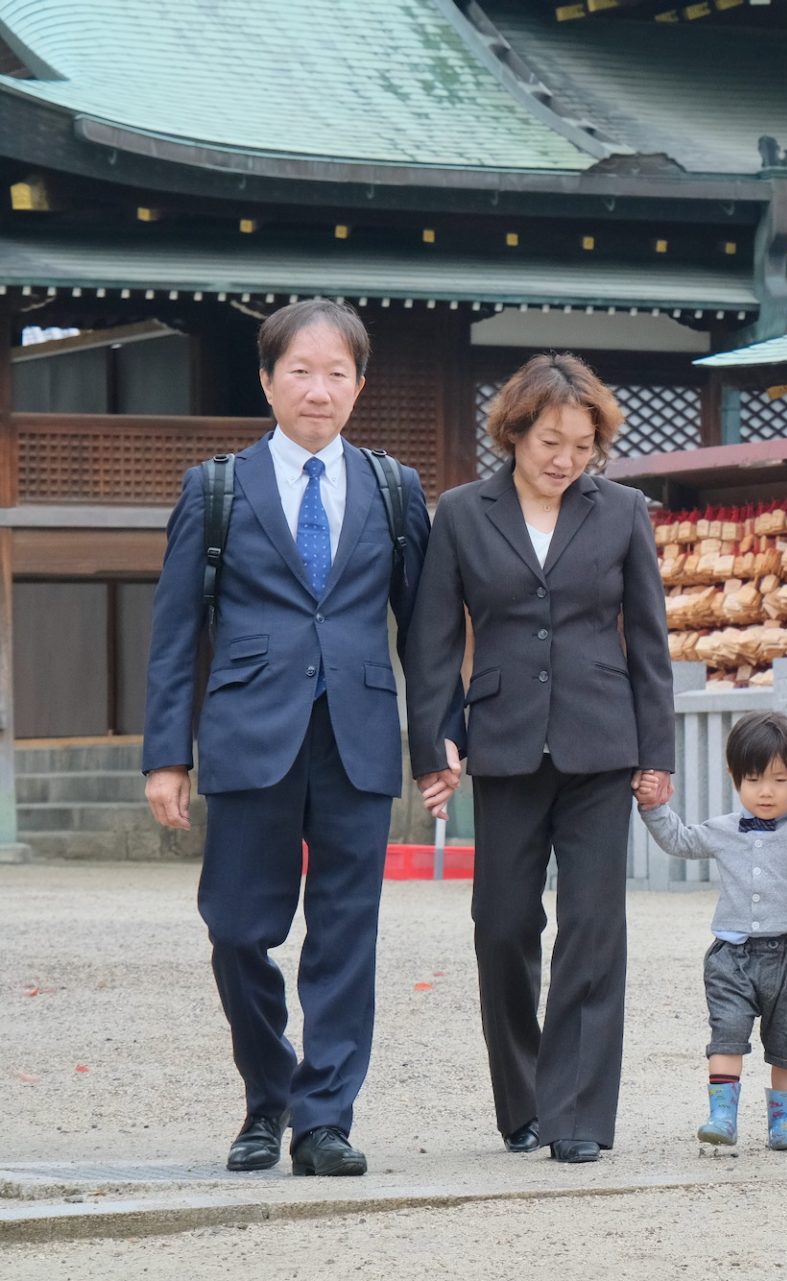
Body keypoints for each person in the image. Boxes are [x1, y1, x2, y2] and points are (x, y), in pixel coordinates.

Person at [142, 299, 447, 1176]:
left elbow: (423, 631)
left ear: (361, 383)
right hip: (247, 732)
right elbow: (173, 633)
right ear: (269, 379)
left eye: (338, 372)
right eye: (302, 372)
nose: (320, 389)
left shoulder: (393, 488)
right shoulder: (217, 488)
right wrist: (168, 753)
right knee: (238, 929)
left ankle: (324, 1119)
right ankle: (267, 1093)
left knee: (347, 933)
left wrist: (435, 743)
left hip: (355, 733)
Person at [402, 353, 675, 1164]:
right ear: (515, 431)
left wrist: (656, 750)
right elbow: (432, 641)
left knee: (594, 929)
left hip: (602, 742)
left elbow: (651, 641)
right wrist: (433, 741)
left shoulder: (623, 511)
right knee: (504, 927)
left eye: (583, 445)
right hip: (505, 741)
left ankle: (578, 1116)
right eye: (551, 440)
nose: (566, 458)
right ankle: (521, 1100)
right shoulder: (460, 512)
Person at [635, 712, 787, 1151]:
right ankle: (721, 1115)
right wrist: (654, 807)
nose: (765, 791)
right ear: (734, 778)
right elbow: (681, 841)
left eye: (780, 779)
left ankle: (783, 1122)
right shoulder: (724, 829)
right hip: (732, 955)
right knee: (726, 1033)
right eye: (753, 779)